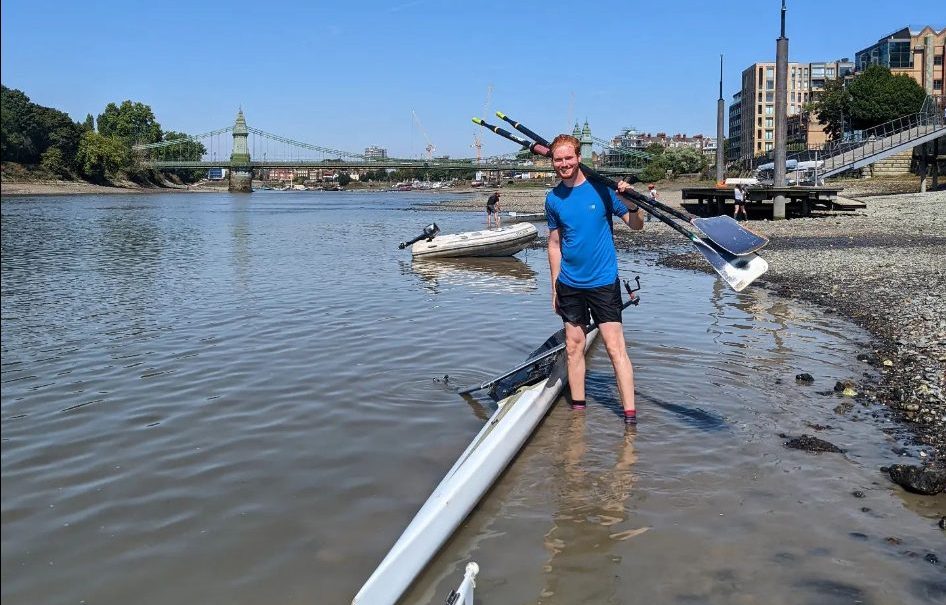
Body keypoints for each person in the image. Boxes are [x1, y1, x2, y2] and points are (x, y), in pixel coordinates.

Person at [545, 134, 645, 425]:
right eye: (558, 159)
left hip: (603, 282)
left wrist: (633, 204)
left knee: (615, 347)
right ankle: (578, 414)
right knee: (574, 346)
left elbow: (636, 226)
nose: (564, 164)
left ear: (578, 157)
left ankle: (629, 416)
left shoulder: (603, 190)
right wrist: (554, 287)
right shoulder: (553, 199)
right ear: (553, 162)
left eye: (568, 158)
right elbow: (554, 244)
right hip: (569, 284)